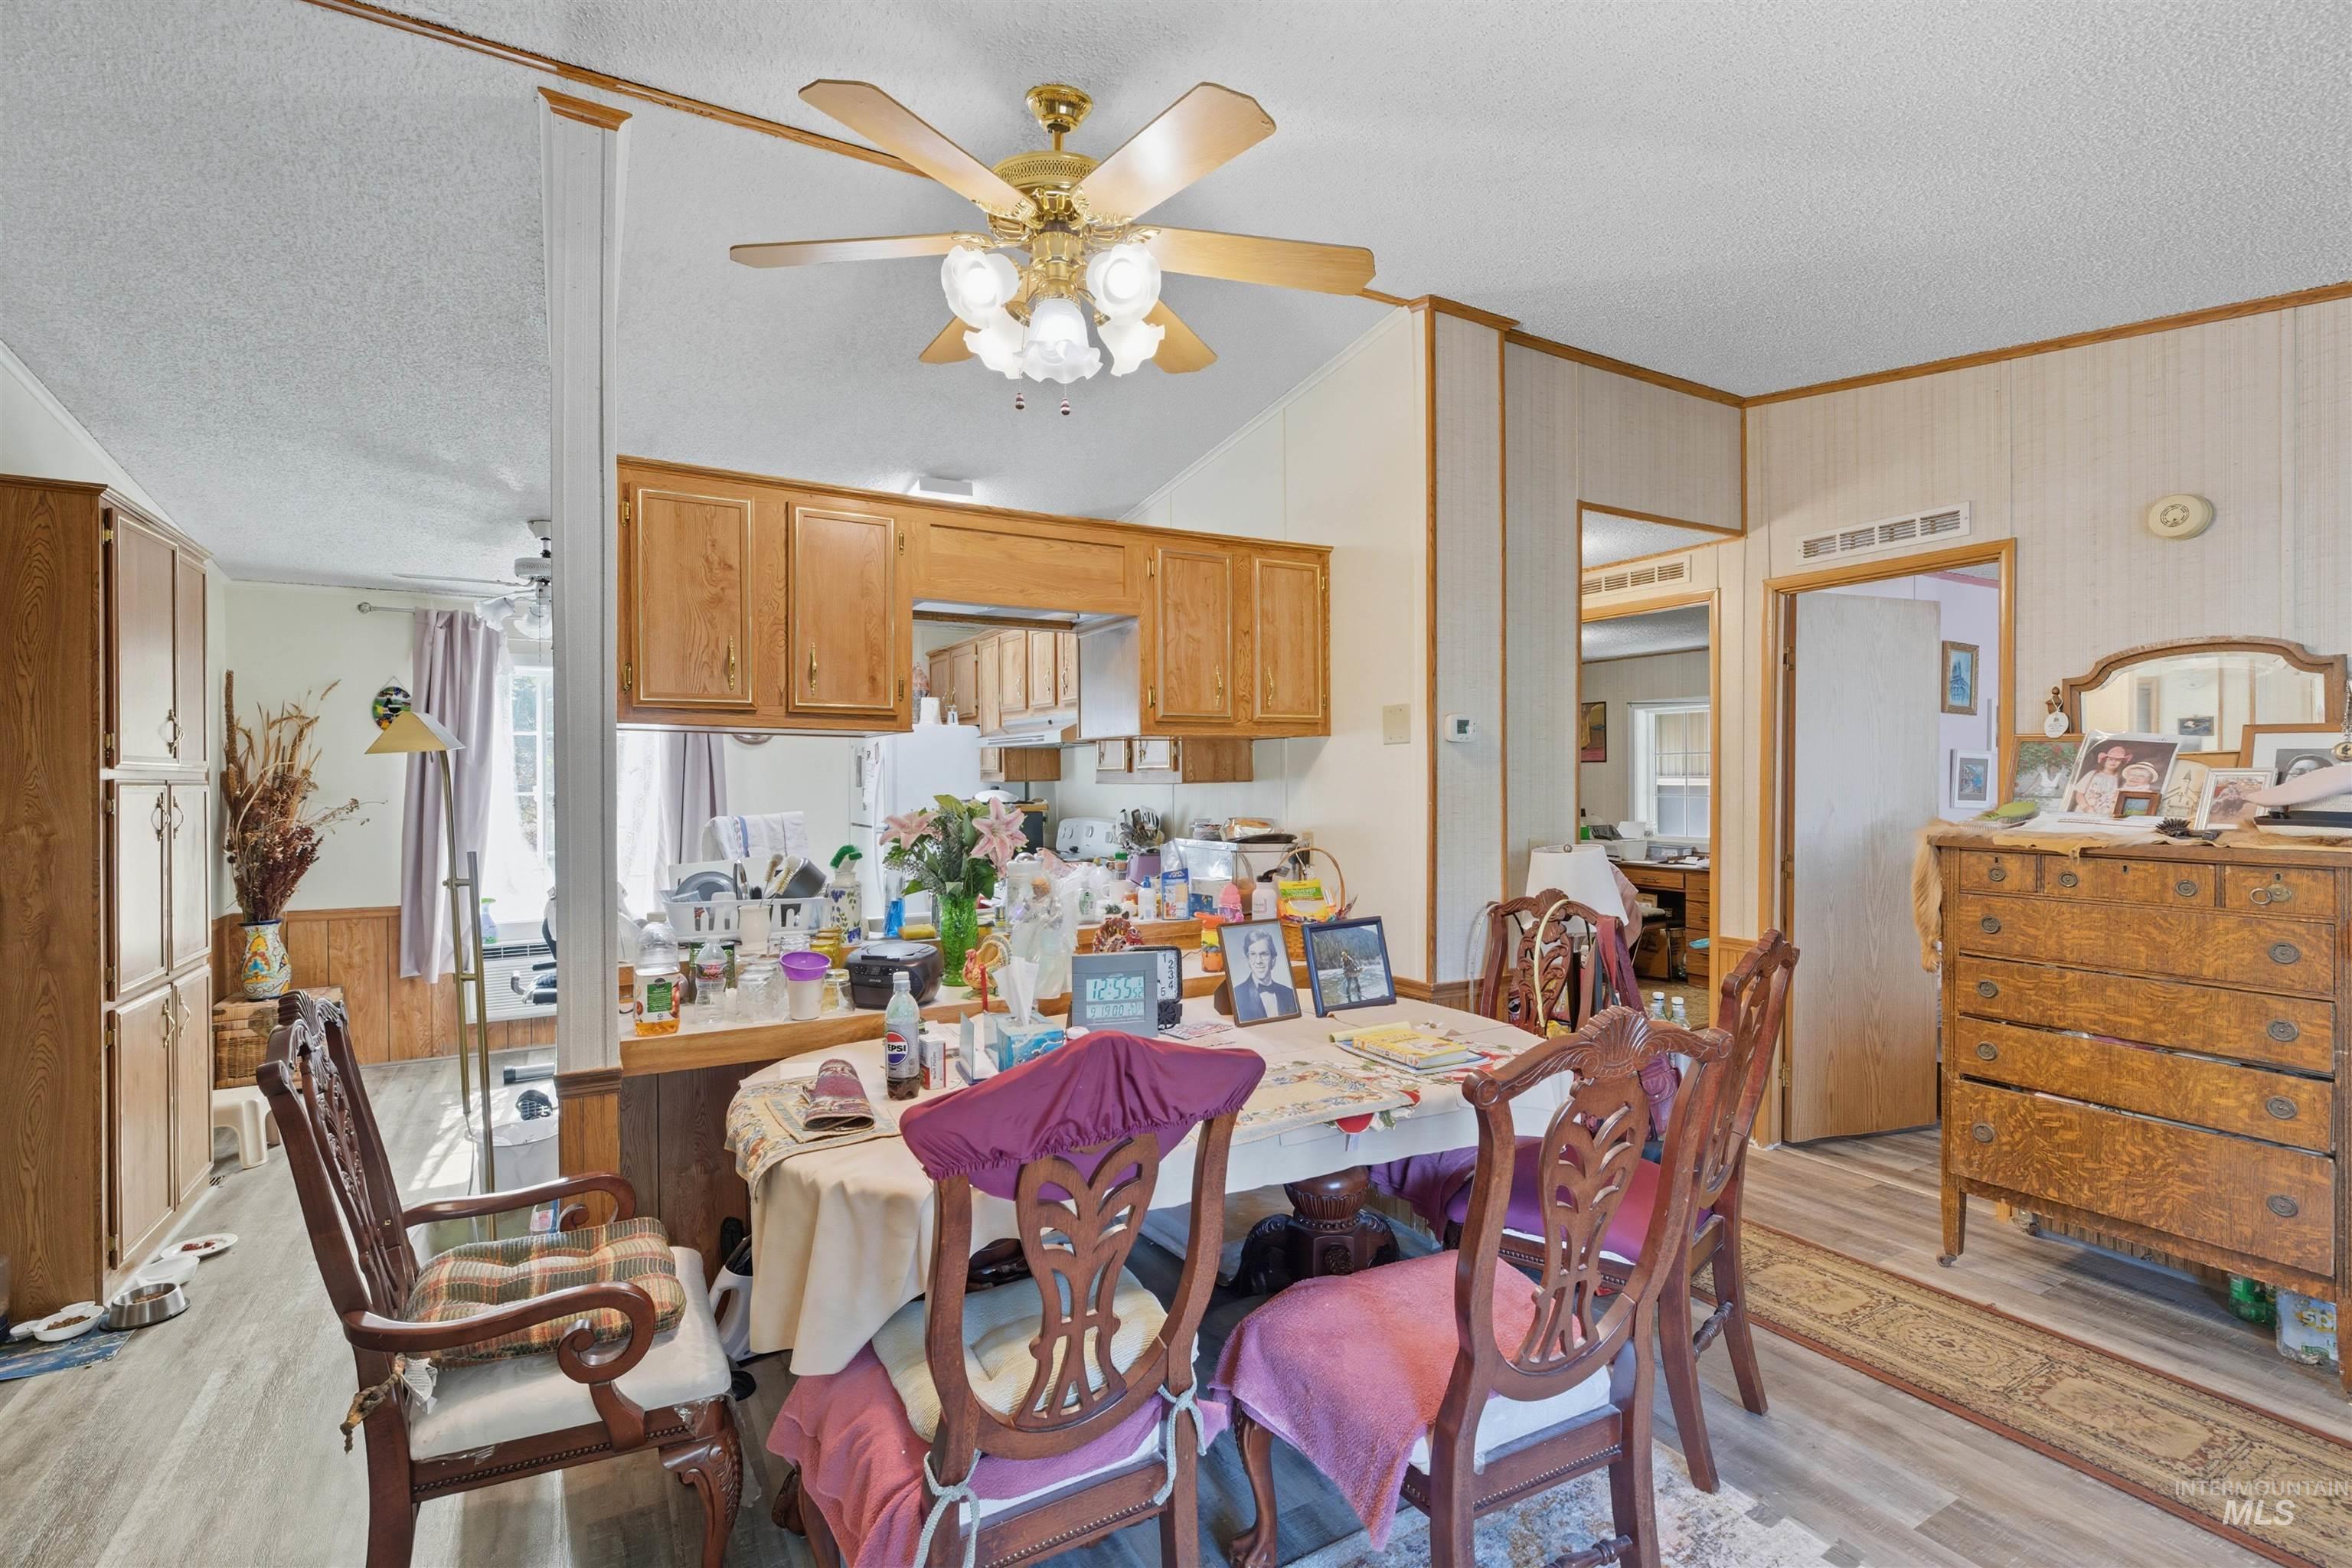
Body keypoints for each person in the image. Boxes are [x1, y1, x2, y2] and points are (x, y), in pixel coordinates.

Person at [1231, 927, 1298, 1022]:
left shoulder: (1290, 994)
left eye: (1264, 954)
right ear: (1248, 960)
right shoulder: (1237, 995)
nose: (1258, 961)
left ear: (1273, 960)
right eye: (1253, 954)